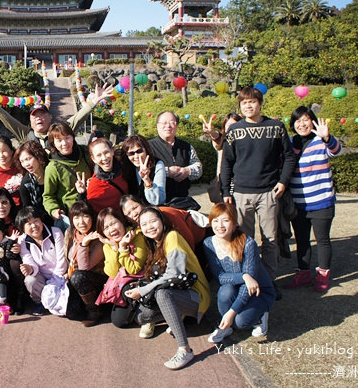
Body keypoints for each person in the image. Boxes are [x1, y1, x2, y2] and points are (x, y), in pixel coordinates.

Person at [220, 87, 296, 296]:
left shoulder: (276, 127)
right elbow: (227, 163)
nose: (248, 106)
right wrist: (226, 190)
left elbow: (289, 156)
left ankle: (270, 280)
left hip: (269, 192)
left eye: (252, 102)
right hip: (242, 193)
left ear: (260, 104)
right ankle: (249, 278)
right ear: (240, 106)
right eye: (244, 103)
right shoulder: (235, 131)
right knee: (244, 239)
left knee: (271, 239)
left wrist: (283, 182)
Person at [125, 207, 210, 370]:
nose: (149, 226)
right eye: (144, 224)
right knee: (143, 317)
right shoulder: (154, 244)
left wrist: (143, 291)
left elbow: (173, 274)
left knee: (163, 294)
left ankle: (185, 349)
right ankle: (178, 315)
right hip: (177, 292)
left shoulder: (172, 237)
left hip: (196, 295)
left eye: (153, 221)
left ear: (162, 221)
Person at [287, 106, 341, 292]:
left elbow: (336, 150)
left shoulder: (321, 141)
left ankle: (323, 275)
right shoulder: (291, 142)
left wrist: (327, 137)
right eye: (298, 121)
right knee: (302, 240)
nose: (302, 124)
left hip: (321, 201)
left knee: (322, 240)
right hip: (298, 203)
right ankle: (302, 274)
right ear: (293, 124)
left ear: (313, 121)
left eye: (306, 120)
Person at [203, 202, 274, 343]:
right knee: (225, 292)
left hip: (258, 291)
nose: (220, 225)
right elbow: (220, 277)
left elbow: (250, 285)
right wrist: (243, 276)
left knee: (241, 322)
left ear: (234, 224)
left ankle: (261, 315)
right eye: (215, 221)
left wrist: (231, 313)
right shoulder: (209, 243)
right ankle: (226, 328)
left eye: (226, 220)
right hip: (234, 286)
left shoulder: (248, 244)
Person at [0, 83, 114, 152]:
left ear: (50, 117)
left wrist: (94, 102)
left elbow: (78, 117)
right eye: (35, 116)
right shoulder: (26, 134)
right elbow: (8, 121)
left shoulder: (60, 131)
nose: (39, 118)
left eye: (42, 115)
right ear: (30, 121)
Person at [95, 207, 148, 328]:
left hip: (141, 280)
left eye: (113, 223)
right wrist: (114, 248)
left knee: (125, 293)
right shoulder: (108, 245)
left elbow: (133, 269)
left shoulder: (136, 236)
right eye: (106, 227)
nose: (111, 229)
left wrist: (123, 247)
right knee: (118, 321)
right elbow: (112, 273)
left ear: (121, 221)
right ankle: (141, 314)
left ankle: (149, 314)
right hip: (122, 283)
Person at [17, 206, 68, 315]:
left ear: (41, 220)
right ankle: (40, 302)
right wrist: (30, 268)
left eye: (36, 221)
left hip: (61, 276)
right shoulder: (22, 241)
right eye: (29, 224)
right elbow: (28, 260)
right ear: (22, 228)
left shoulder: (56, 233)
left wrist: (54, 282)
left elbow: (62, 260)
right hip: (42, 276)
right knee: (30, 280)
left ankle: (55, 299)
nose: (34, 226)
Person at [63, 201, 107, 326]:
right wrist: (67, 272)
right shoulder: (70, 233)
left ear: (92, 217)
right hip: (77, 279)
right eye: (76, 217)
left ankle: (95, 310)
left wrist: (84, 244)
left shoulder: (98, 237)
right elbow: (67, 256)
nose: (81, 222)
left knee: (78, 276)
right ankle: (89, 304)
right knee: (72, 314)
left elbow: (84, 268)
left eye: (85, 217)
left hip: (98, 279)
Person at [43, 122, 92, 227]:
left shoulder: (85, 153)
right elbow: (48, 196)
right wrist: (54, 210)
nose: (64, 143)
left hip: (92, 208)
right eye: (59, 140)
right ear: (53, 144)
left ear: (73, 138)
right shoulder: (53, 168)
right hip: (72, 217)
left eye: (67, 138)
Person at [120, 195, 208, 252]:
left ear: (142, 204)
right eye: (128, 213)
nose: (134, 214)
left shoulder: (165, 213)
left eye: (135, 207)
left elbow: (188, 241)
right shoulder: (140, 227)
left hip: (201, 240)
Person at [148, 111, 203, 203]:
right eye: (164, 123)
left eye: (172, 122)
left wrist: (187, 171)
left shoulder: (186, 147)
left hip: (182, 201)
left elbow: (199, 168)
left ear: (176, 125)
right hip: (157, 202)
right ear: (157, 125)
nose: (168, 126)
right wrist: (167, 172)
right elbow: (144, 171)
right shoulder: (148, 147)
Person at [77, 137, 129, 213]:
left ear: (112, 151)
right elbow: (88, 212)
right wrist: (82, 195)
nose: (104, 158)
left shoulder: (125, 169)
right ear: (93, 159)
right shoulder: (94, 184)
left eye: (106, 152)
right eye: (99, 155)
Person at [201, 113, 242, 203]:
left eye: (235, 125)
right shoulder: (223, 140)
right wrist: (211, 132)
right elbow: (216, 136)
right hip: (225, 180)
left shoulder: (245, 140)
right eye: (229, 125)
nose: (232, 128)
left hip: (241, 180)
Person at [121, 135, 166, 206]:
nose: (136, 156)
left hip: (152, 210)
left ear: (146, 150)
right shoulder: (127, 167)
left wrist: (147, 180)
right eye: (131, 153)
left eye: (139, 151)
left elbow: (158, 200)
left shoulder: (157, 164)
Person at [16, 140, 51, 222]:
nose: (26, 164)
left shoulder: (51, 171)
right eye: (22, 161)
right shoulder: (26, 184)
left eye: (28, 159)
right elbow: (27, 209)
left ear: (38, 156)